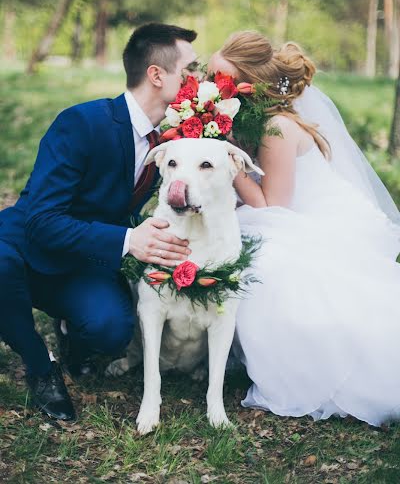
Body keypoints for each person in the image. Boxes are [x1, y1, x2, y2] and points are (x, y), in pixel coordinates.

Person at [0, 23, 197, 421]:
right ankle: (42, 366)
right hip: (24, 245)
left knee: (111, 330)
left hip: (84, 261)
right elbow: (41, 221)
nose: (199, 79)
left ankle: (72, 332)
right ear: (157, 75)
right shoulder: (82, 123)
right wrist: (128, 240)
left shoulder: (173, 142)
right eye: (190, 70)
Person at [208, 31, 400, 427]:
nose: (212, 87)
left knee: (263, 268)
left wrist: (224, 151)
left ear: (250, 84)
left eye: (221, 79)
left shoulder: (275, 127)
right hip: (291, 213)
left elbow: (270, 207)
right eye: (211, 77)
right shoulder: (257, 120)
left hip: (307, 221)